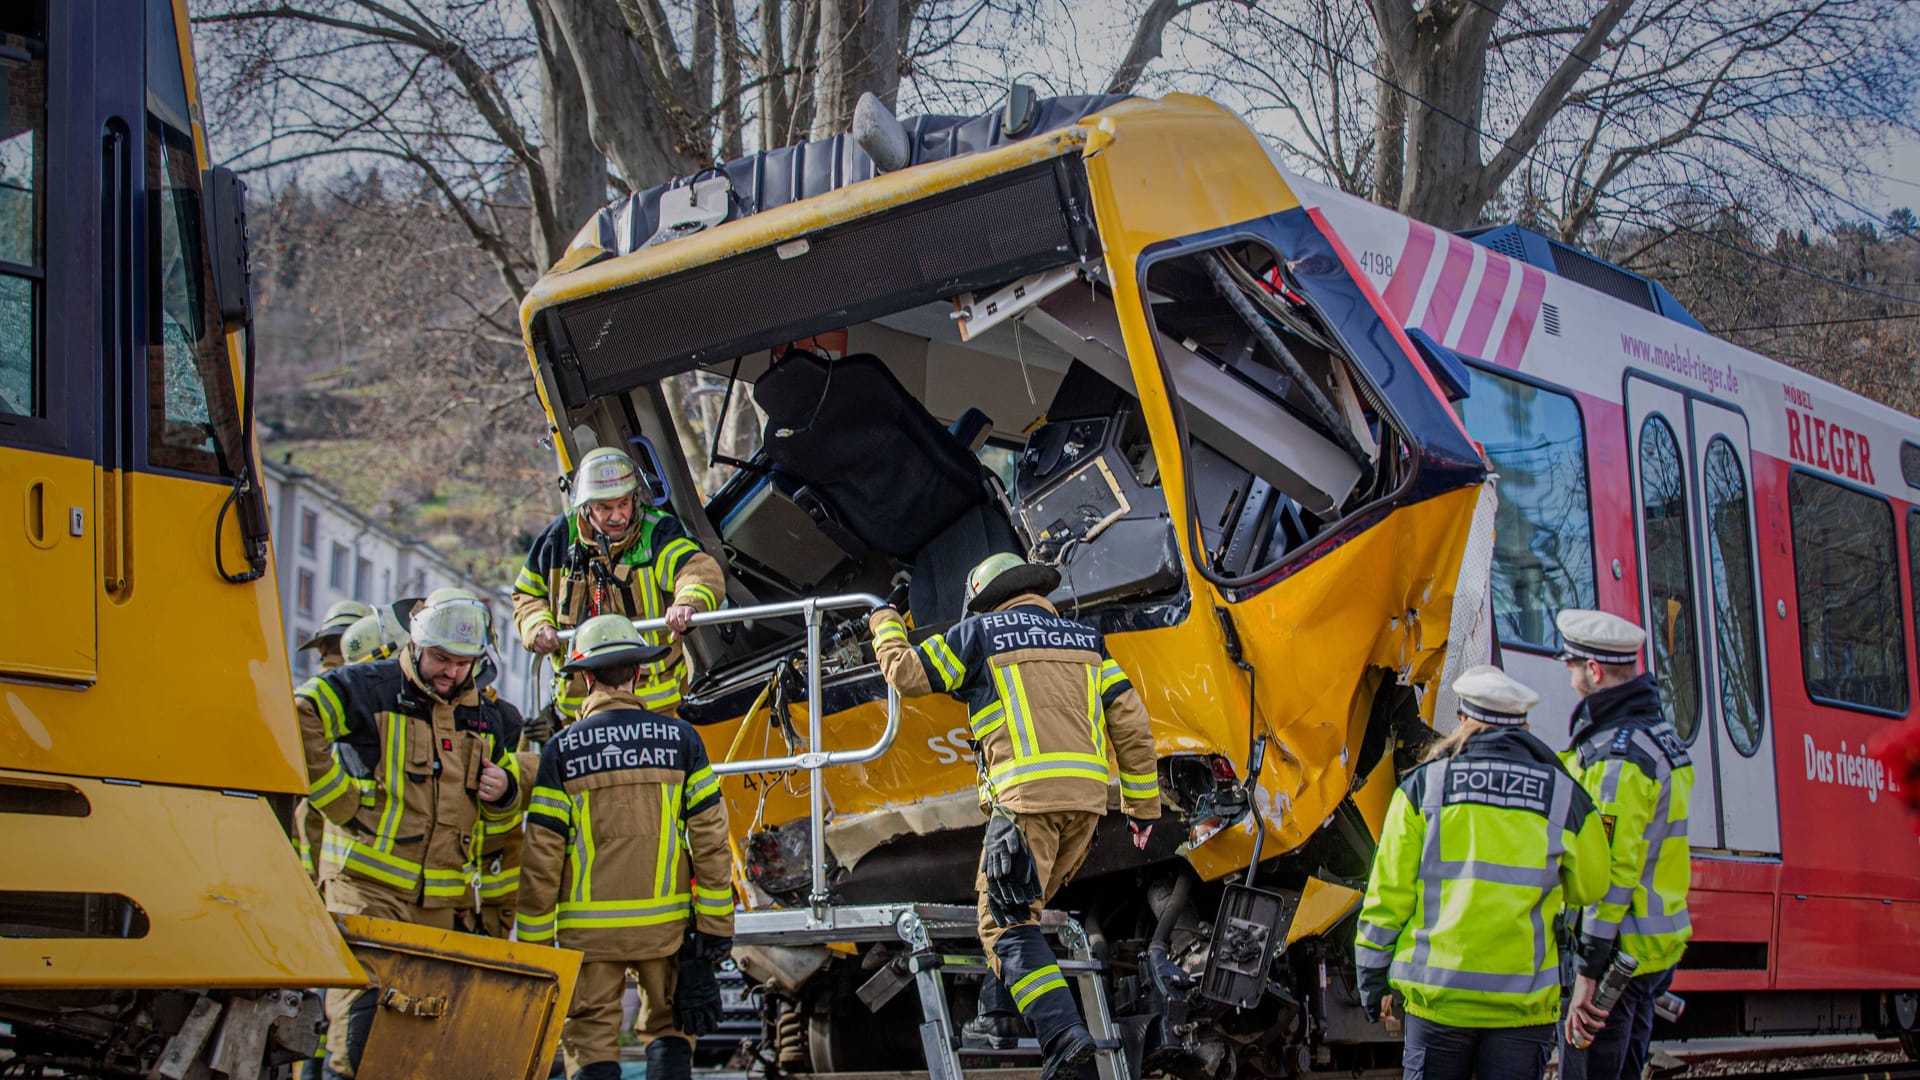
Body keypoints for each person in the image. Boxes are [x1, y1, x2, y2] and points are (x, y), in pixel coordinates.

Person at [868, 553, 1160, 1080]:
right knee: (1020, 906)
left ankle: (1062, 1037)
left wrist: (884, 621)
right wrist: (1141, 808)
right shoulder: (1086, 640)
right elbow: (1133, 726)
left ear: (986, 596)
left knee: (1001, 924)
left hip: (1026, 803)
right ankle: (996, 1015)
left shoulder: (980, 633)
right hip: (1088, 805)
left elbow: (907, 674)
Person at [294, 588, 527, 1079]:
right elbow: (299, 715)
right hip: (365, 891)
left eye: (464, 663)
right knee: (357, 1037)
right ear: (416, 646)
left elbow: (497, 827)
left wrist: (505, 791)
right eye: (442, 658)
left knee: (416, 1041)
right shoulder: (368, 688)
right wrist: (339, 800)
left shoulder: (489, 719)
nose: (451, 672)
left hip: (438, 904)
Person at [1356, 665, 1609, 1080]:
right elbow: (1591, 887)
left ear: (1462, 720)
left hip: (1438, 1005)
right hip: (1521, 1008)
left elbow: (1386, 900)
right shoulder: (1562, 794)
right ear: (1524, 725)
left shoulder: (1422, 790)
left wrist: (1373, 981)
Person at [516, 614, 736, 1080]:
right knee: (669, 1027)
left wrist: (537, 945)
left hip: (588, 936)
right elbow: (712, 840)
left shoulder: (561, 751)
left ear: (587, 677)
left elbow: (541, 856)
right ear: (638, 673)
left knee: (591, 1034)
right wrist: (716, 926)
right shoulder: (682, 741)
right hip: (666, 929)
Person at [1555, 610, 1695, 1080]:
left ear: (1593, 671)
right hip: (1649, 954)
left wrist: (1588, 972)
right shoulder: (1661, 739)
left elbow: (1611, 875)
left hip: (1615, 954)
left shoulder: (1619, 757)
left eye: (1572, 667)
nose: (1571, 679)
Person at [513, 446, 725, 724]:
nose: (617, 516)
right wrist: (538, 627)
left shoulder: (656, 533)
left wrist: (687, 602)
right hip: (580, 711)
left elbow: (697, 569)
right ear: (586, 506)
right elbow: (528, 594)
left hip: (654, 704)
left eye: (623, 504)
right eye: (605, 508)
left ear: (634, 499)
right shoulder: (559, 539)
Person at [292, 600, 375, 882]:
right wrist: (344, 806)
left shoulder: (309, 692)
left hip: (301, 839)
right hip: (344, 846)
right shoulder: (369, 693)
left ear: (324, 647)